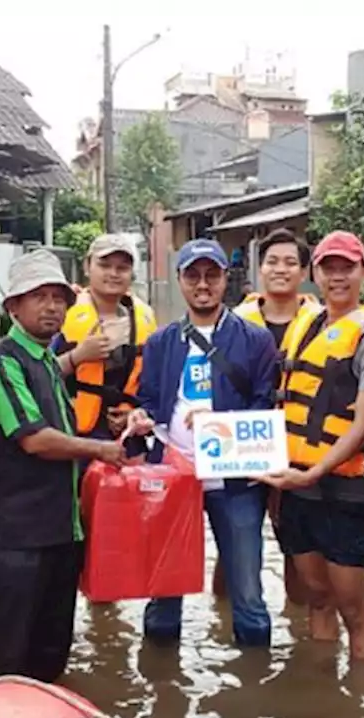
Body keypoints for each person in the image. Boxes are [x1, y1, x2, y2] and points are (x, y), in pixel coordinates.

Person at [0, 249, 126, 682]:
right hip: (18, 540)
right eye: (37, 296)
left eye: (58, 297)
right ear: (13, 307)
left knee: (52, 654)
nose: (52, 306)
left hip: (60, 534)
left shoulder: (46, 363)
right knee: (7, 661)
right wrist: (100, 450)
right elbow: (34, 439)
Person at [127, 238, 280, 648]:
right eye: (193, 275)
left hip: (236, 483)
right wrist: (140, 417)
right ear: (180, 280)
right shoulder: (161, 342)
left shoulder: (256, 340)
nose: (202, 284)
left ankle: (255, 684)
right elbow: (148, 399)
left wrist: (221, 423)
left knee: (248, 593)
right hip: (173, 480)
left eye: (211, 274)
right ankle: (160, 682)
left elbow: (265, 407)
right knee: (162, 594)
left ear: (224, 279)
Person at [259, 230, 364, 662]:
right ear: (315, 274)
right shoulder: (305, 324)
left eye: (347, 267)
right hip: (298, 486)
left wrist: (315, 471)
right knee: (317, 597)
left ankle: (357, 705)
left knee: (353, 607)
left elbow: (362, 425)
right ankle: (321, 695)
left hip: (344, 490)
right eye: (329, 268)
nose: (337, 277)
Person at [224, 228, 323, 605]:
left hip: (299, 449)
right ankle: (224, 618)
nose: (280, 269)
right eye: (272, 262)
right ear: (259, 268)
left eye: (290, 263)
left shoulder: (322, 322)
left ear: (304, 272)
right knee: (234, 543)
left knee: (295, 549)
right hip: (243, 445)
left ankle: (297, 626)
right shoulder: (234, 322)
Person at [54, 234, 157, 443]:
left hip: (128, 433)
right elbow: (37, 374)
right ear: (87, 266)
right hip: (73, 435)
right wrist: (77, 356)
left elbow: (155, 382)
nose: (113, 274)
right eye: (105, 265)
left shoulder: (145, 319)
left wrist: (135, 411)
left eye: (122, 268)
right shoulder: (61, 315)